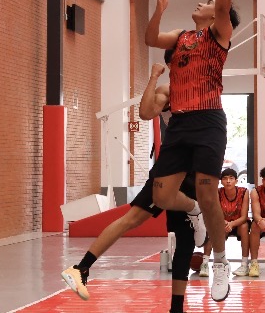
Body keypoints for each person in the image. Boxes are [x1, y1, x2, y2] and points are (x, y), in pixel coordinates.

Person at [144, 0, 242, 302]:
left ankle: (220, 261)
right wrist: (159, 9)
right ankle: (195, 213)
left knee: (206, 190)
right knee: (162, 195)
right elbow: (151, 38)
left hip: (209, 120)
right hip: (181, 123)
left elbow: (224, 7)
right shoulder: (182, 37)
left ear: (216, 15)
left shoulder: (219, 35)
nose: (202, 3)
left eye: (209, 2)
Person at [62, 55, 195, 313]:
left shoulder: (204, 91)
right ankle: (81, 268)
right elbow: (145, 113)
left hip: (193, 170)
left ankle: (177, 308)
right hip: (171, 170)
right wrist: (153, 76)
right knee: (132, 220)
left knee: (185, 239)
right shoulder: (169, 90)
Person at [199, 168, 250, 277]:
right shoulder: (217, 192)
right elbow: (213, 212)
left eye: (231, 178)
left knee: (244, 226)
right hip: (222, 223)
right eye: (225, 178)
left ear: (236, 181)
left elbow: (244, 217)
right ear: (221, 181)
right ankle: (205, 263)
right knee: (212, 227)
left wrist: (231, 224)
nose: (228, 181)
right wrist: (223, 222)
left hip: (238, 223)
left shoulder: (244, 192)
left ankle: (244, 264)